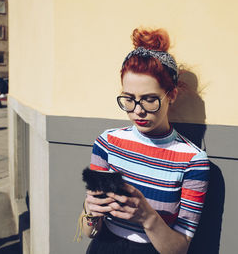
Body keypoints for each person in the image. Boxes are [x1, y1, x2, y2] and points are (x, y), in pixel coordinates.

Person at [80, 28, 210, 254]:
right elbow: (89, 231)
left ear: (171, 95)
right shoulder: (107, 143)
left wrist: (148, 217)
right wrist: (90, 212)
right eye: (129, 99)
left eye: (149, 100)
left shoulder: (193, 161)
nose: (137, 111)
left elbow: (180, 249)